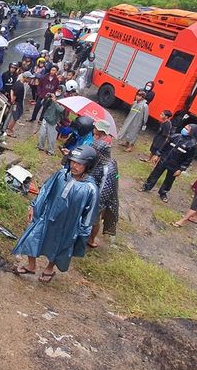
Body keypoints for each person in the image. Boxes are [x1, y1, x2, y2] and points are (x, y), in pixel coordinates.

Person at [12, 146, 99, 282]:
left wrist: (82, 235)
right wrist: (34, 206)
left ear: (88, 166)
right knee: (32, 238)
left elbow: (89, 215)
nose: (74, 166)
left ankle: (49, 268)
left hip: (67, 226)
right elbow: (45, 191)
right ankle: (31, 265)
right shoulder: (61, 175)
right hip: (47, 217)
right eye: (73, 162)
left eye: (79, 164)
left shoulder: (91, 189)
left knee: (58, 249)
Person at [140, 123, 197, 202]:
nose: (184, 129)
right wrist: (157, 155)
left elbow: (188, 159)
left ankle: (163, 193)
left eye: (187, 129)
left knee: (169, 180)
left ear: (192, 132)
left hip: (175, 166)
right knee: (154, 174)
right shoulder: (175, 136)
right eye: (185, 127)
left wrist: (181, 169)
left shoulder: (192, 145)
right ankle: (146, 186)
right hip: (164, 160)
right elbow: (164, 146)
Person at [88, 140, 119, 247]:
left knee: (94, 220)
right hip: (90, 191)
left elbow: (105, 189)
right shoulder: (96, 161)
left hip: (98, 199)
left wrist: (95, 204)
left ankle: (91, 239)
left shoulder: (108, 168)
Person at [36, 89, 65, 155]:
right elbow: (43, 104)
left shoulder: (63, 101)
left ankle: (51, 151)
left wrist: (55, 102)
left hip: (54, 122)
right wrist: (46, 98)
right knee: (42, 134)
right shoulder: (52, 98)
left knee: (51, 137)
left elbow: (61, 110)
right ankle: (40, 146)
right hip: (46, 118)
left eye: (59, 91)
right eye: (57, 90)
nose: (58, 92)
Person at [6, 71, 32, 137]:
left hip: (16, 102)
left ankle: (9, 128)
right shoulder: (20, 86)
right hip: (17, 103)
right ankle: (9, 130)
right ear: (26, 78)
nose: (30, 80)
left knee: (14, 116)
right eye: (29, 78)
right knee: (15, 117)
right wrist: (13, 100)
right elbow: (15, 96)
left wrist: (12, 98)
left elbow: (12, 90)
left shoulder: (18, 82)